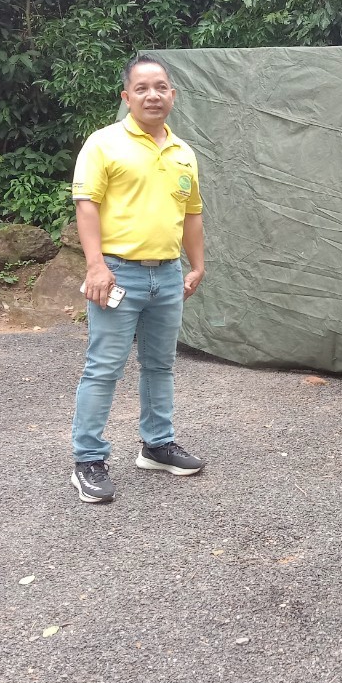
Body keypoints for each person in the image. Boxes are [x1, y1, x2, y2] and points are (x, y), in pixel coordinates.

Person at [69, 53, 207, 504]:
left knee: (160, 365)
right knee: (104, 368)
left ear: (173, 95)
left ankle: (157, 445)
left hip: (167, 275)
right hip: (117, 273)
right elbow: (86, 205)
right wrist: (95, 265)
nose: (153, 95)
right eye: (142, 88)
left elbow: (192, 214)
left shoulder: (183, 152)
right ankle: (88, 459)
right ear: (126, 97)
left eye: (161, 87)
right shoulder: (104, 143)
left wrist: (197, 265)